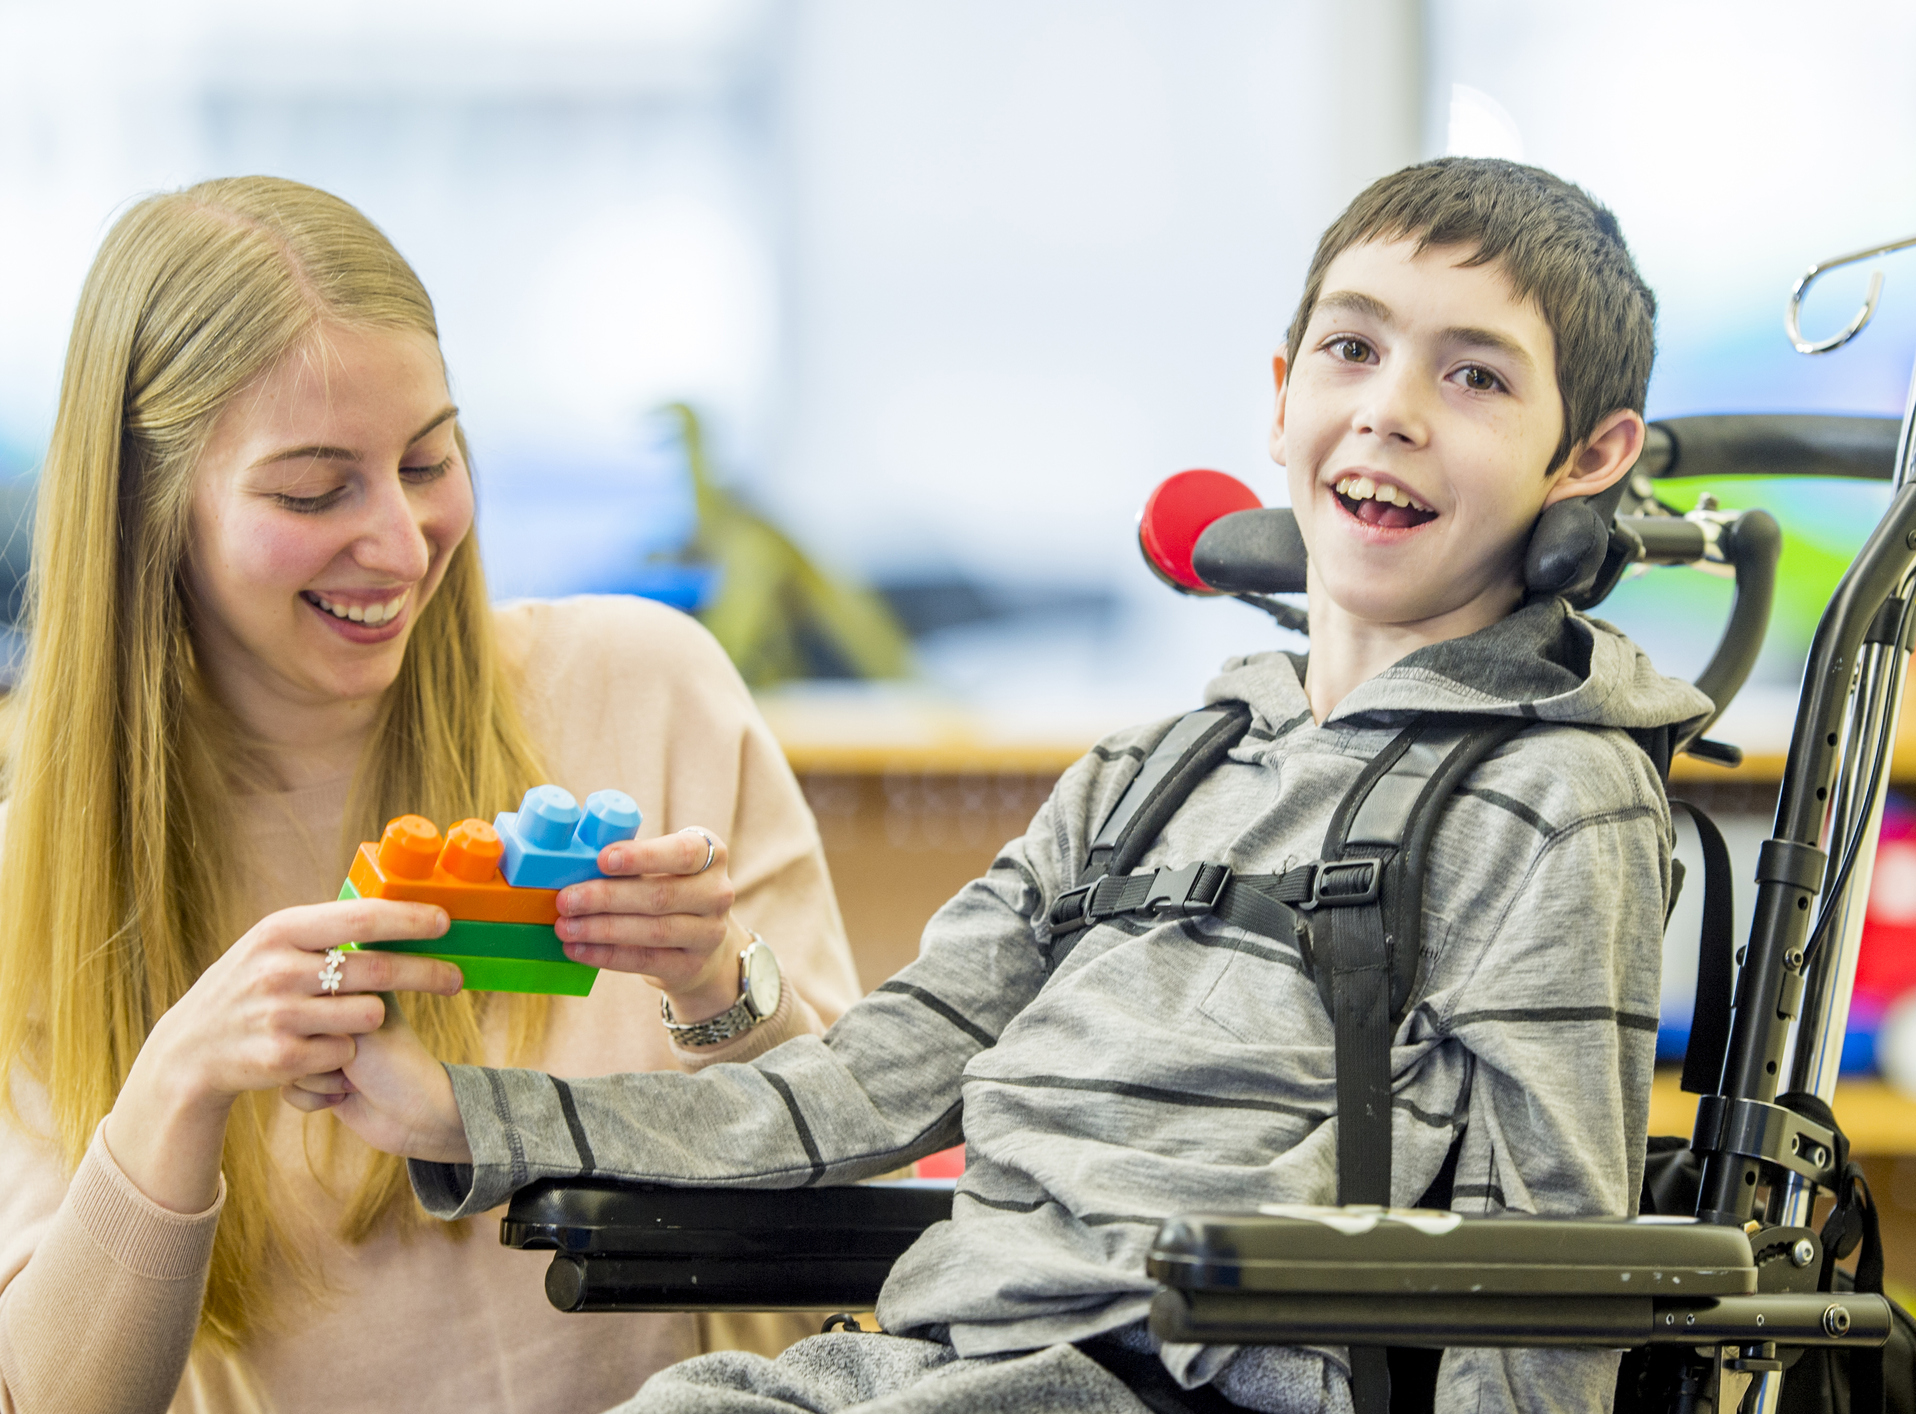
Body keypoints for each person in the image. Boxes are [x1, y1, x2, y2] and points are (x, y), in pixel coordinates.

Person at [315, 158, 1707, 1414]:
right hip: (936, 1363)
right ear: (1281, 394)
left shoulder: (1552, 794)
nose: (1391, 410)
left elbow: (1552, 1270)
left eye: (1475, 376)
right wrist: (460, 1113)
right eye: (1354, 348)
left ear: (1589, 457)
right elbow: (859, 1085)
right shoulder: (1147, 778)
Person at [0, 176, 864, 1414]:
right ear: (150, 513)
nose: (401, 545)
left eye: (428, 462)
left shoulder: (645, 694)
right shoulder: (36, 882)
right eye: (312, 491)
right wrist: (176, 1084)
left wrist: (722, 989)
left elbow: (872, 1215)